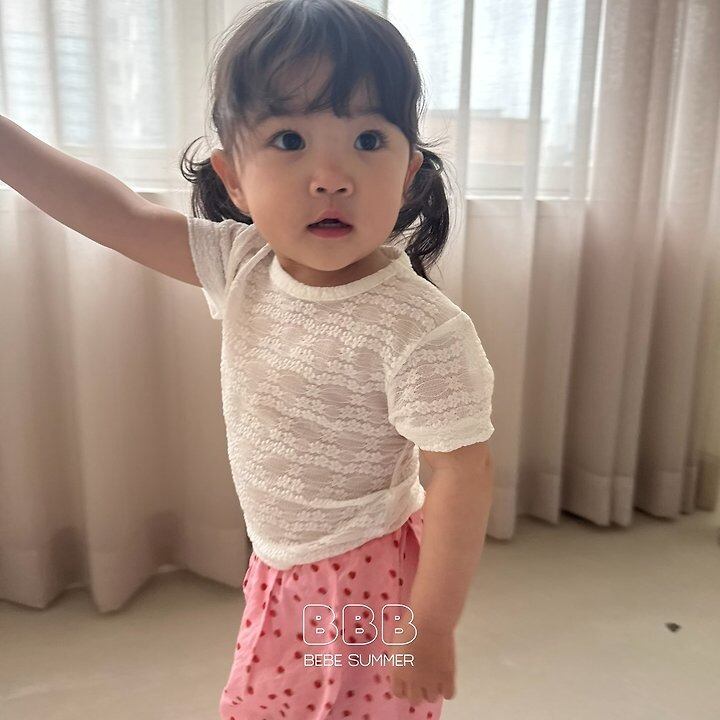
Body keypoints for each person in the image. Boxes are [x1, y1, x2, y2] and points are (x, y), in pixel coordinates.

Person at [0, 0, 496, 718]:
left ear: (409, 174)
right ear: (233, 178)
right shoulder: (244, 264)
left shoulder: (421, 329)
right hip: (277, 560)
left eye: (367, 138)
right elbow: (118, 215)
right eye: (290, 139)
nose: (331, 175)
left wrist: (432, 627)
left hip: (361, 573)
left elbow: (461, 474)